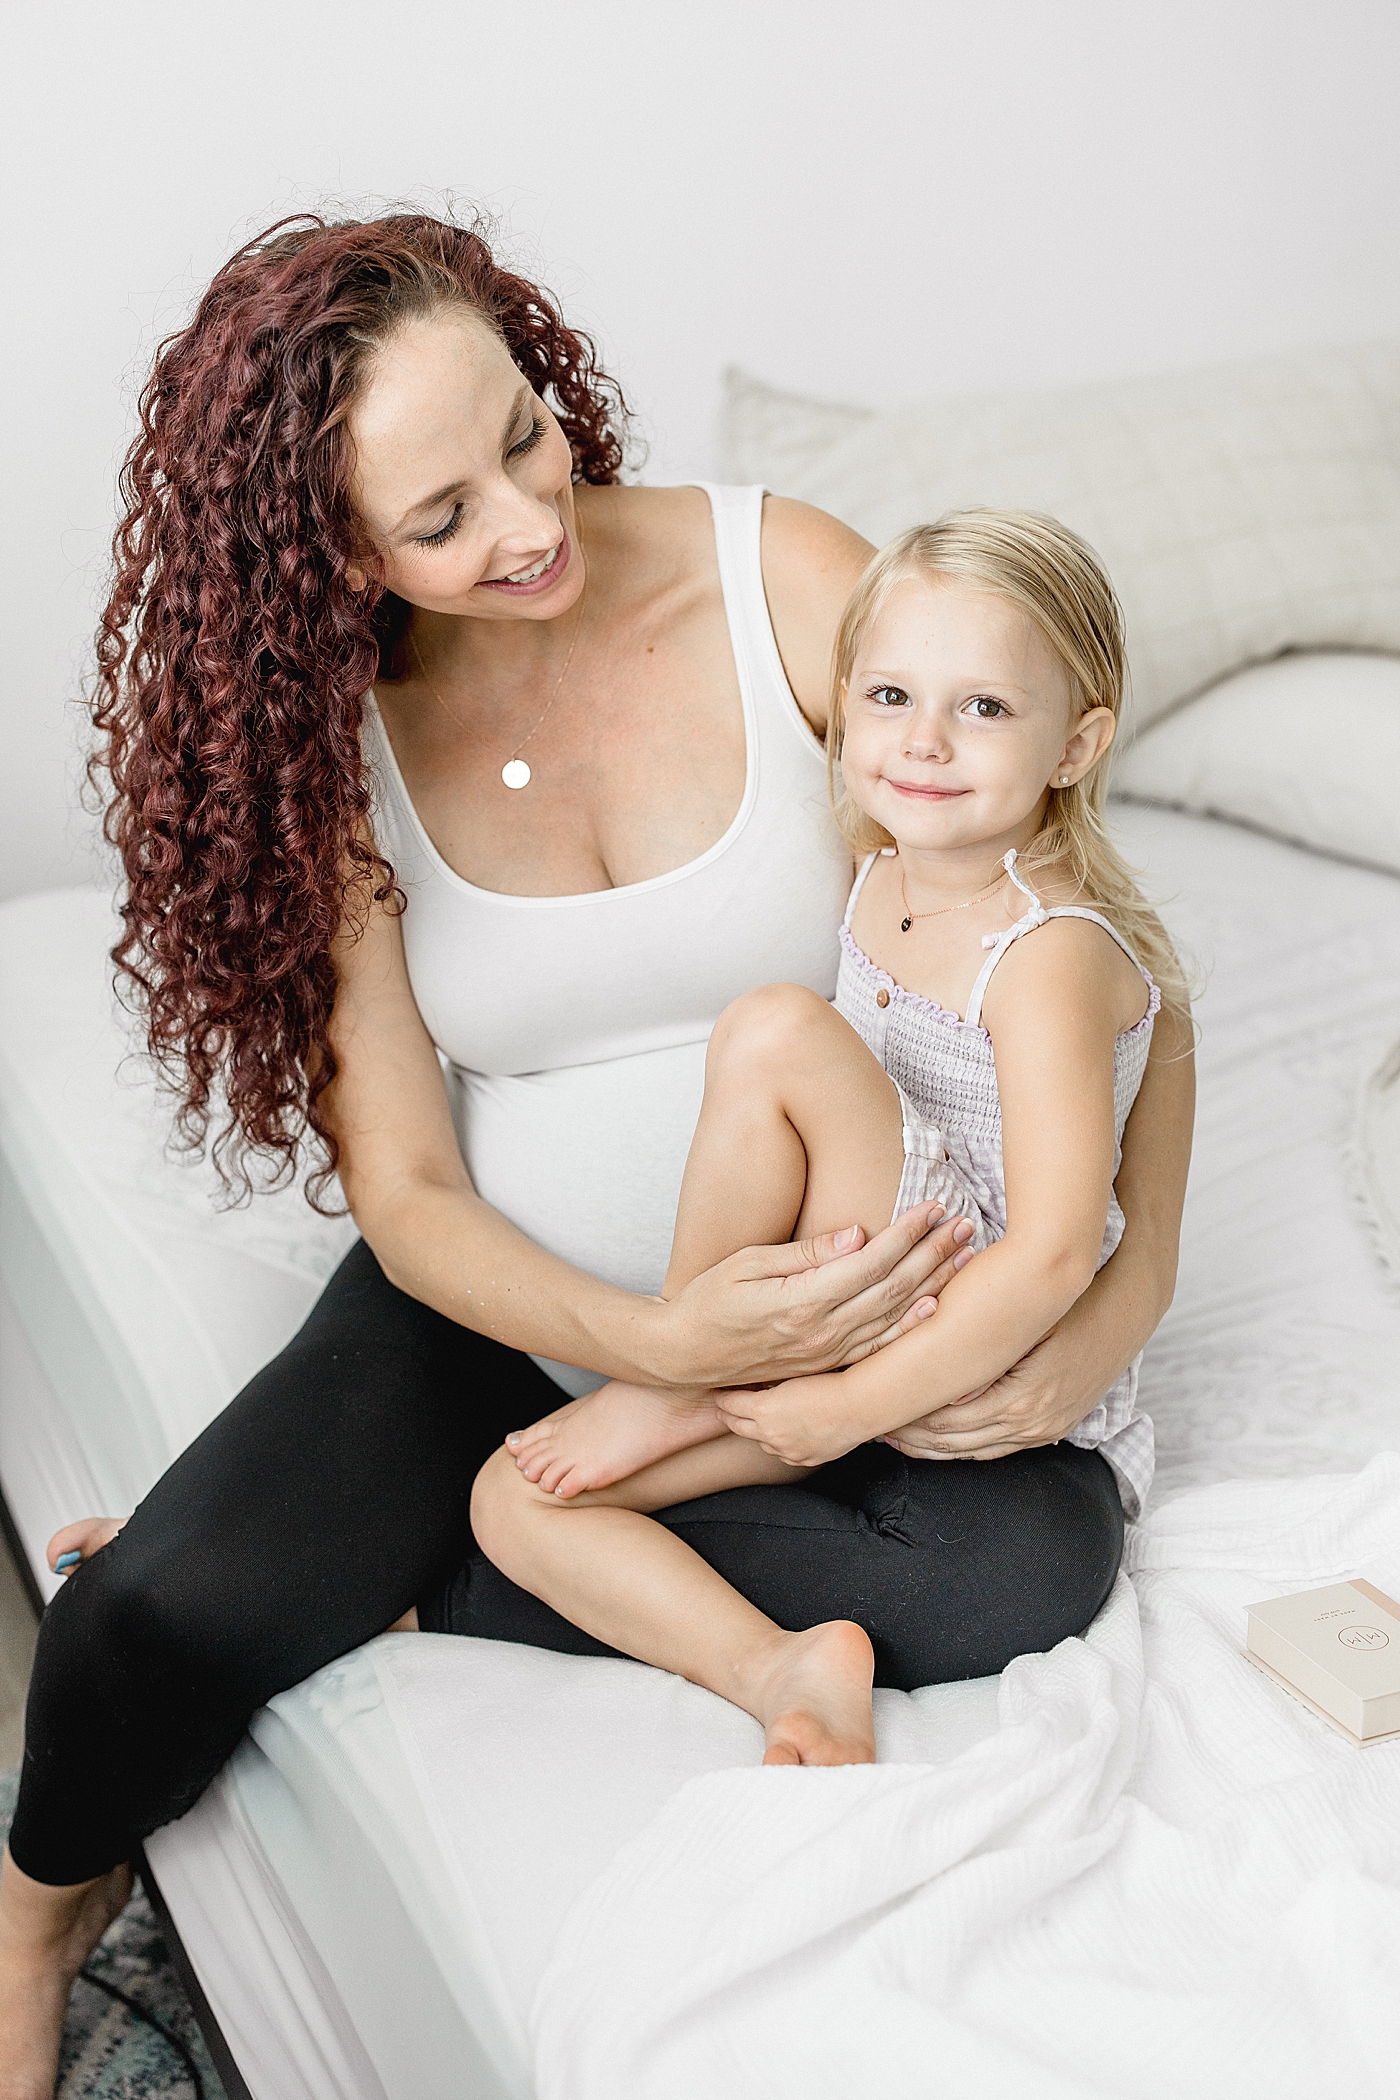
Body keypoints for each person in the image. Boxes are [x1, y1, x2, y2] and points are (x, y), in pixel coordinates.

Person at [0, 213, 1193, 2099]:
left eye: (528, 435)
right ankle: (36, 1916)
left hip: (848, 1296)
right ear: (330, 559)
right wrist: (652, 1350)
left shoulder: (780, 573)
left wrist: (1120, 1294)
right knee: (149, 1619)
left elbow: (1090, 918)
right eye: (441, 521)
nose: (529, 522)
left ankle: (416, 1572)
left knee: (1040, 1558)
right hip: (510, 1304)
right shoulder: (338, 754)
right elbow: (407, 1194)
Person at [471, 510, 1188, 1764]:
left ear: (1075, 744)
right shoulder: (879, 869)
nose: (921, 740)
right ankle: (782, 1668)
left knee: (773, 1030)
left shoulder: (1046, 958)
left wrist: (841, 1411)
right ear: (838, 706)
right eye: (891, 694)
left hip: (975, 1333)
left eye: (984, 710)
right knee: (511, 1508)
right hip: (875, 1291)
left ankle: (679, 1373)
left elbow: (1057, 1253)